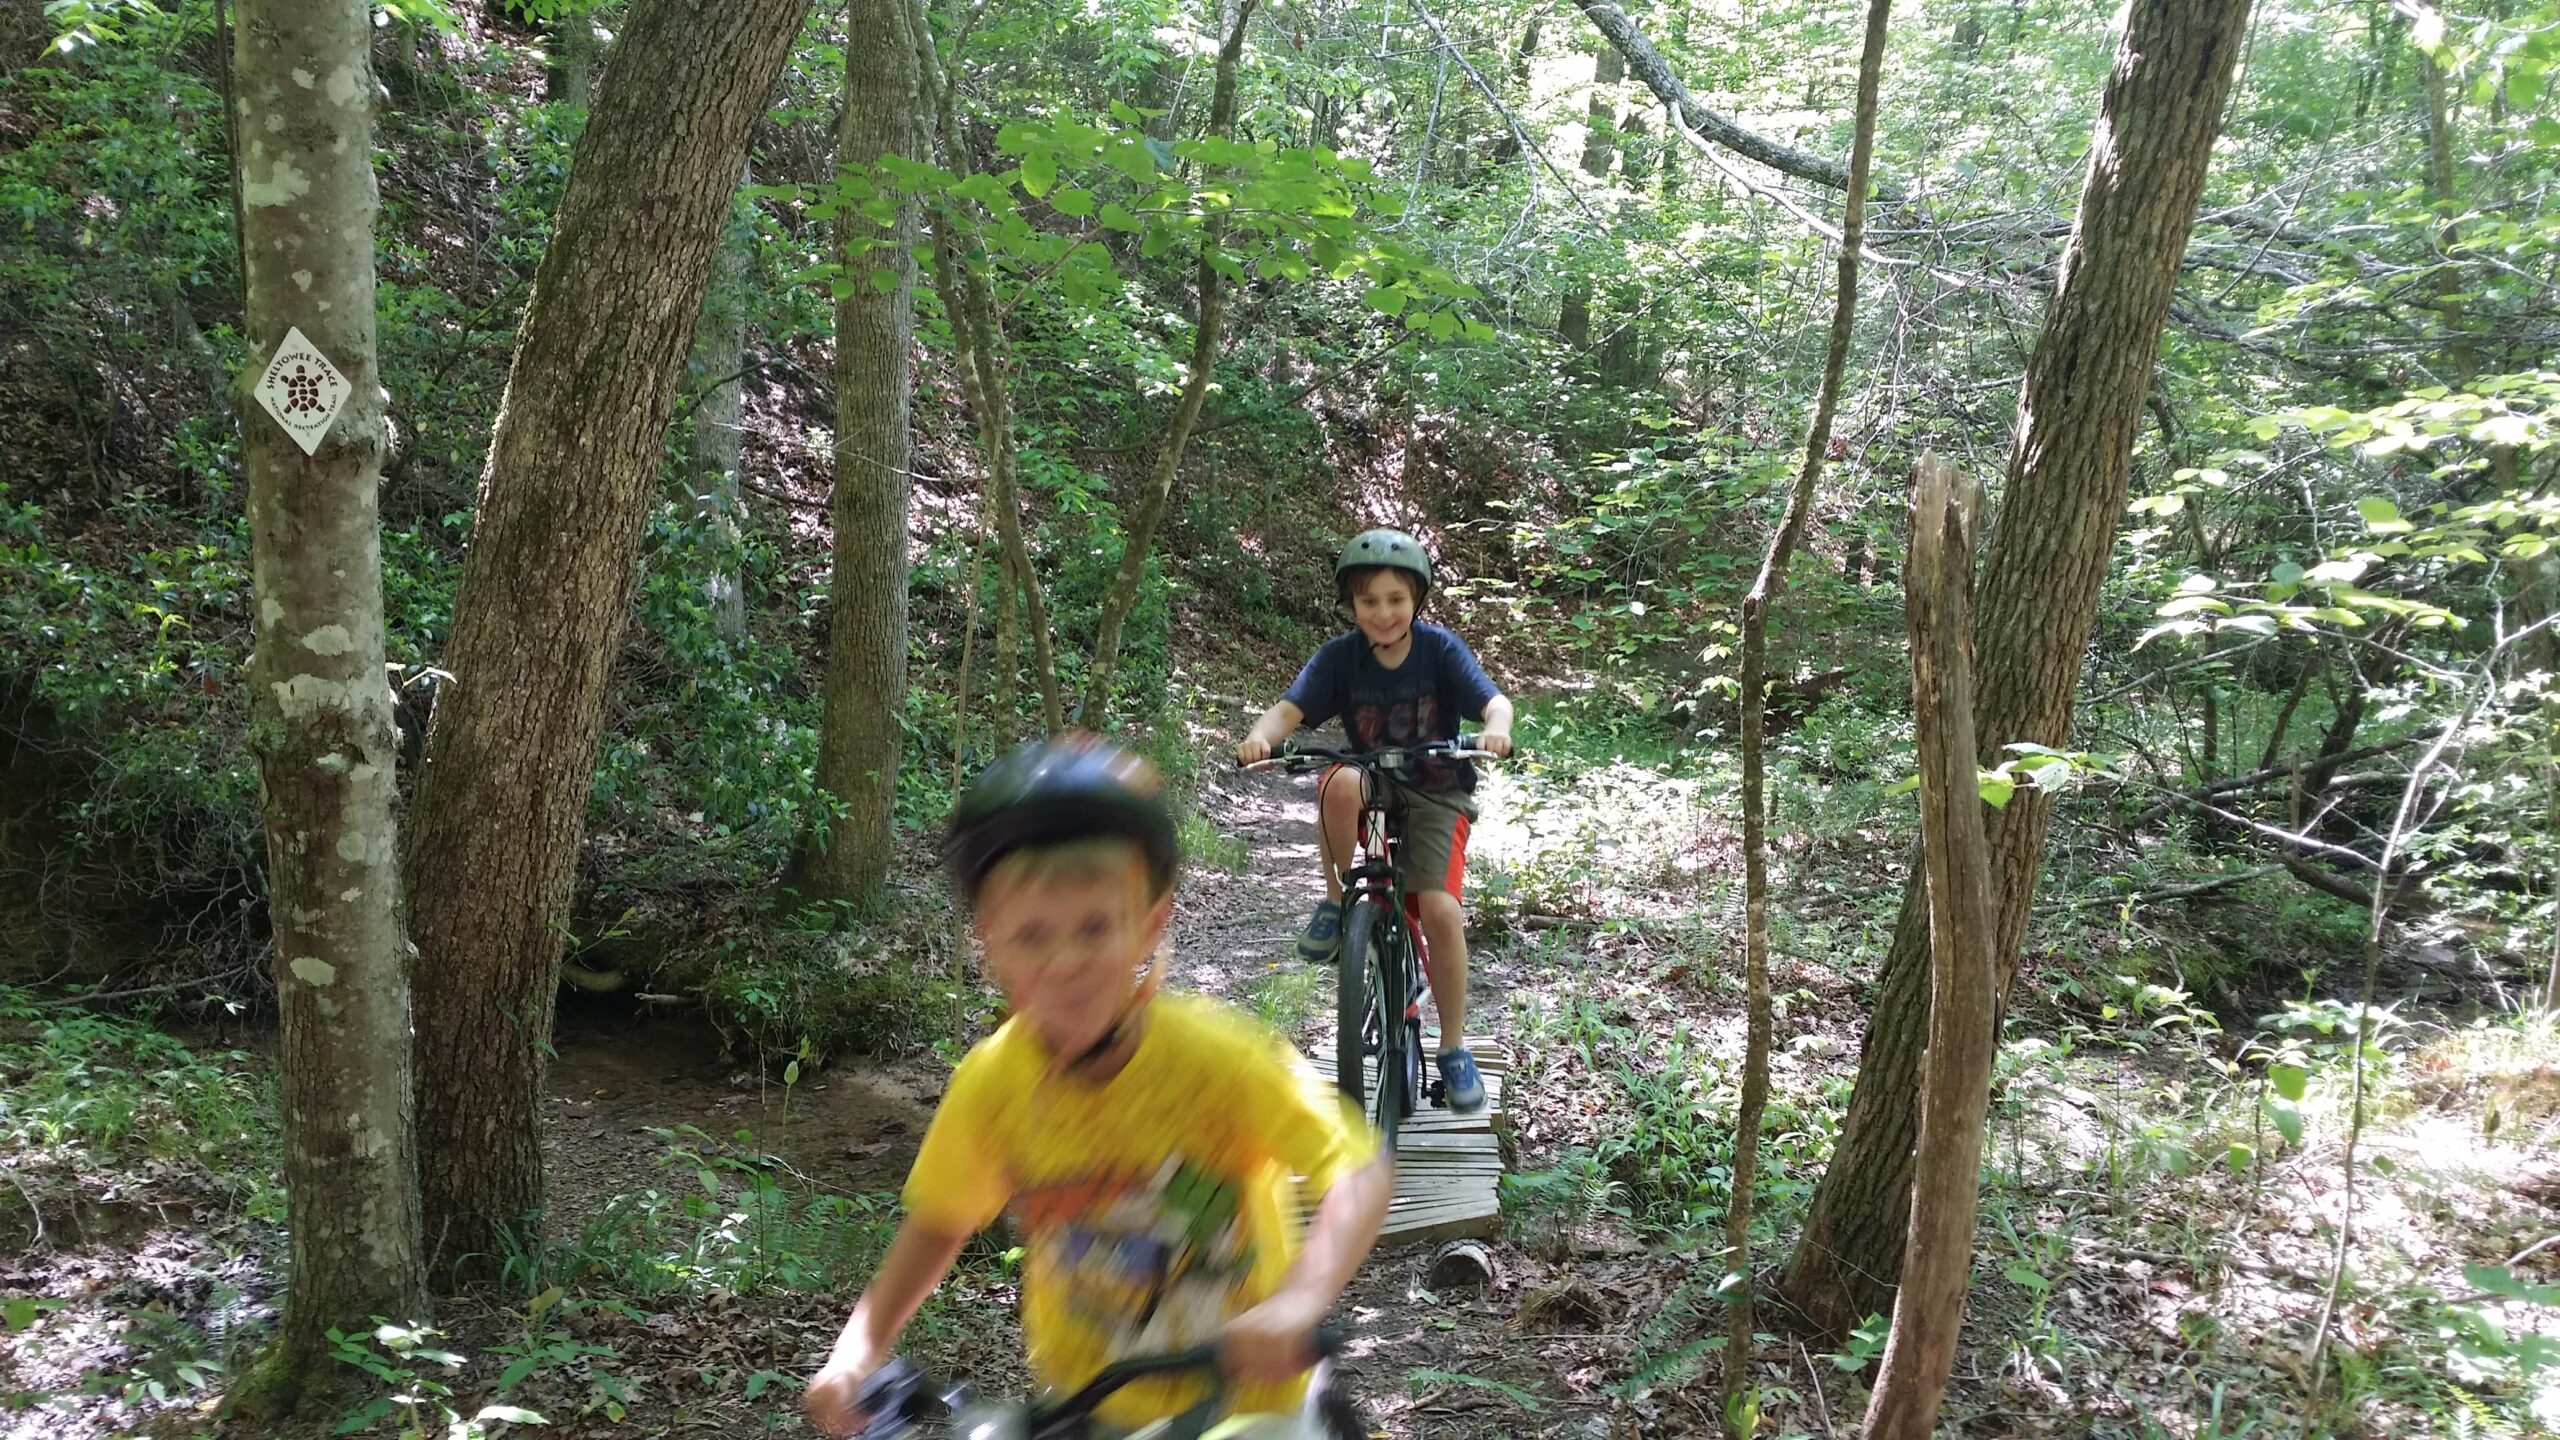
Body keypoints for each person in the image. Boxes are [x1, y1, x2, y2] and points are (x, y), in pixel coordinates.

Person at [804, 736, 1393, 1438]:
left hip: (1248, 1400)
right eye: (1031, 936)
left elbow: (1357, 1169)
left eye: (1094, 928)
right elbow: (939, 1221)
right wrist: (858, 1351)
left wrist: (1298, 1302)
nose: (1065, 963)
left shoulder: (1218, 1060)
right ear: (988, 942)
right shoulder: (994, 1085)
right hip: (1094, 1408)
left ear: (1149, 925)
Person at [1233, 528, 1513, 1116]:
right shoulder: (1340, 658)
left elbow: (1493, 702)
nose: (1382, 613)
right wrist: (1262, 736)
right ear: (1351, 606)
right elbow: (1289, 710)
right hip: (1374, 781)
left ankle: (1454, 1046)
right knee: (1337, 779)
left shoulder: (1439, 651)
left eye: (1395, 599)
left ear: (1416, 599)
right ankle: (1339, 902)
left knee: (1437, 908)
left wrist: (1496, 727)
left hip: (1437, 789)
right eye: (1368, 601)